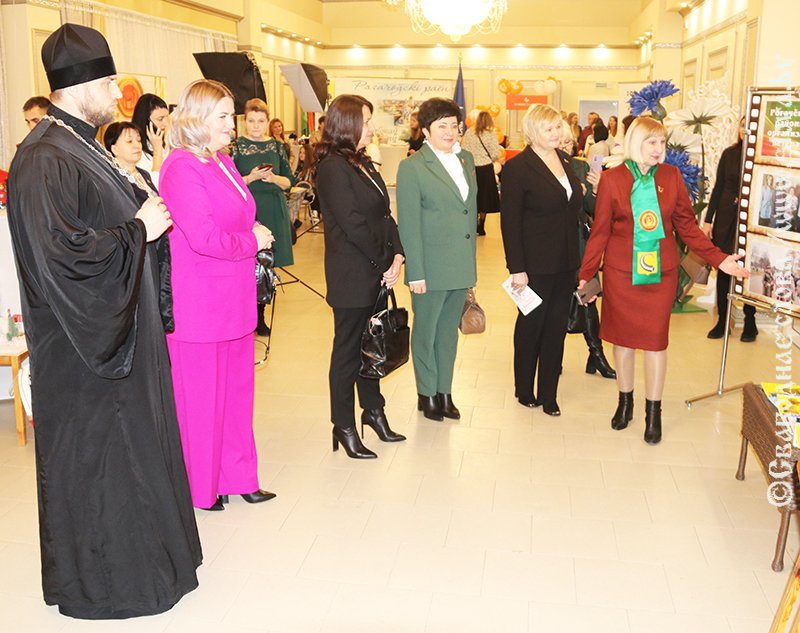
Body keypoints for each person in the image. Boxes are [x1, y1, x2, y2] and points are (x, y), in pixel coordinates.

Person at [6, 23, 201, 619]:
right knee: (104, 463)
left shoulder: (80, 142)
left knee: (136, 452)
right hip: (86, 348)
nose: (119, 93)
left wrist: (141, 221)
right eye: (110, 82)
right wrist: (138, 229)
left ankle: (151, 567)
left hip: (125, 333)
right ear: (78, 85)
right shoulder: (42, 158)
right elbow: (63, 259)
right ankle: (110, 585)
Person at [578, 117, 748, 444]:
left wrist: (720, 258)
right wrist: (586, 274)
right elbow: (599, 232)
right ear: (635, 143)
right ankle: (624, 402)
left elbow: (688, 228)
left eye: (662, 143)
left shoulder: (671, 177)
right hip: (622, 274)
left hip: (660, 276)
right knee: (623, 342)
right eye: (652, 142)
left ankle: (653, 413)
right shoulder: (613, 180)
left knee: (656, 342)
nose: (659, 149)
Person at [159, 79, 277, 510]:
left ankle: (239, 476)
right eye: (223, 116)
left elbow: (237, 215)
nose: (232, 124)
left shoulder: (221, 160)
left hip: (234, 298)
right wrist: (253, 241)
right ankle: (202, 488)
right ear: (197, 118)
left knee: (236, 398)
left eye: (232, 115)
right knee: (201, 404)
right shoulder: (181, 167)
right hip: (200, 306)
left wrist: (252, 231)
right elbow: (204, 237)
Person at [315, 94, 406, 458]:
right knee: (348, 353)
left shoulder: (362, 161)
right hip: (352, 275)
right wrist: (385, 262)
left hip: (376, 268)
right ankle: (344, 425)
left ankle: (374, 412)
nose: (372, 128)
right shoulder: (332, 167)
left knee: (373, 347)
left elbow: (384, 213)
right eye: (367, 122)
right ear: (348, 124)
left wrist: (398, 254)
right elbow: (353, 224)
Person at [397, 97, 478, 421]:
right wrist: (415, 271)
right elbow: (409, 224)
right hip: (429, 268)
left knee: (448, 335)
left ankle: (445, 391)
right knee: (425, 333)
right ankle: (426, 393)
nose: (449, 132)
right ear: (426, 130)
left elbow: (468, 213)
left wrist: (471, 268)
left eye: (454, 125)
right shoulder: (413, 167)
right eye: (441, 125)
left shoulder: (466, 160)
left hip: (459, 265)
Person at [501, 104, 583, 417]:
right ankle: (524, 388)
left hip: (565, 261)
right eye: (549, 128)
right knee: (531, 326)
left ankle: (549, 393)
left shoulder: (566, 160)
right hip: (533, 264)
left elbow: (572, 208)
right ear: (533, 131)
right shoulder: (517, 168)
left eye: (558, 127)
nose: (556, 133)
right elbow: (510, 223)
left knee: (556, 328)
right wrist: (517, 269)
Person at [232, 98, 295, 336]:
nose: (256, 126)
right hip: (248, 209)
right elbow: (229, 183)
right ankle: (247, 313)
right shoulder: (237, 147)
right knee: (248, 263)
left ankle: (260, 315)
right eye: (251, 121)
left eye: (260, 121)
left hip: (273, 208)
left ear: (267, 121)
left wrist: (273, 178)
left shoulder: (277, 146)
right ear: (245, 121)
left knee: (268, 266)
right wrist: (250, 177)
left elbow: (289, 181)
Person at [559, 120, 616, 379]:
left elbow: (594, 209)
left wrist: (594, 189)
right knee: (558, 302)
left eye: (568, 143)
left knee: (588, 299)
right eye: (560, 142)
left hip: (582, 244)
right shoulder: (541, 168)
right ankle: (554, 356)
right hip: (555, 245)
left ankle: (597, 356)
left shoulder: (581, 167)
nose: (564, 147)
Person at [704, 117, 758, 342]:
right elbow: (718, 187)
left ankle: (750, 321)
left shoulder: (759, 156)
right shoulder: (729, 154)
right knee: (724, 267)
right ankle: (723, 321)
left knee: (748, 269)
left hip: (750, 218)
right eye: (743, 125)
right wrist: (708, 219)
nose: (745, 129)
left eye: (750, 125)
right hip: (726, 217)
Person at [461, 110, 503, 236]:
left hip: (471, 169)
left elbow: (464, 150)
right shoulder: (491, 134)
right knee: (484, 197)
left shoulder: (469, 132)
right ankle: (481, 225)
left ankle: (473, 223)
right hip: (485, 169)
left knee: (473, 196)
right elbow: (495, 154)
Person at [131, 93, 169, 185]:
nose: (165, 124)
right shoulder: (136, 150)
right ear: (146, 122)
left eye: (167, 118)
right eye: (160, 119)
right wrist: (157, 152)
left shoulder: (162, 142)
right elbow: (154, 185)